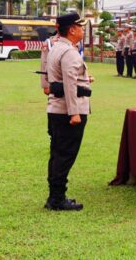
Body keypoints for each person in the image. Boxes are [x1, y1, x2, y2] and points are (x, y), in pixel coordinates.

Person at [45, 12, 91, 211]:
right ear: (72, 29)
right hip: (67, 111)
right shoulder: (69, 52)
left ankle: (55, 196)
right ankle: (57, 199)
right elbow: (70, 84)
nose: (82, 30)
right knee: (65, 155)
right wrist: (74, 113)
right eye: (80, 27)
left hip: (56, 109)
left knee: (57, 154)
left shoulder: (57, 47)